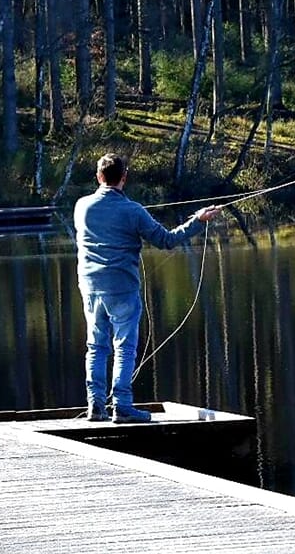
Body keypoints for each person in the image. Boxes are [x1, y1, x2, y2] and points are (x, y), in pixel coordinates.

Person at [74, 153, 219, 423]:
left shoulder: (81, 206)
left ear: (98, 177)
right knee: (124, 348)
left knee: (96, 347)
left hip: (90, 286)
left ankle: (96, 406)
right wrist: (198, 221)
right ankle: (122, 406)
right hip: (122, 288)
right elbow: (166, 240)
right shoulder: (133, 211)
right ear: (124, 177)